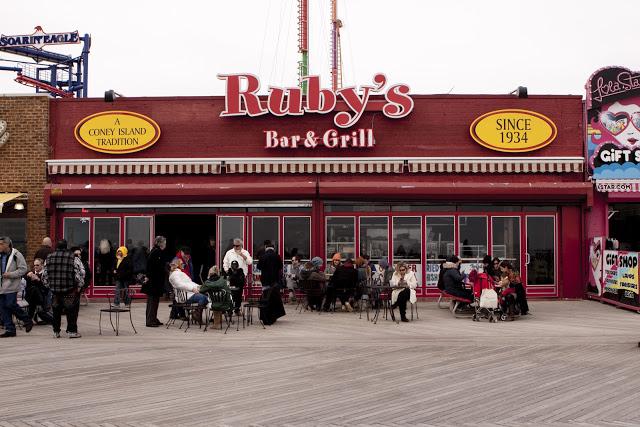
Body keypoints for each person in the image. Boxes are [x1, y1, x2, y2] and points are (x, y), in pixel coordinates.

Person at [43, 239, 85, 338]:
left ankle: (56, 331)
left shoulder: (48, 258)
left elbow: (45, 274)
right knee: (72, 311)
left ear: (56, 247)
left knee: (56, 312)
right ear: (66, 247)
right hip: (69, 289)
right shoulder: (73, 258)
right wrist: (79, 286)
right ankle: (72, 331)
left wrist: (49, 285)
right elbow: (81, 273)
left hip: (55, 290)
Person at [0, 236, 32, 337]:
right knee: (3, 308)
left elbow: (23, 269)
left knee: (10, 304)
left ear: (7, 244)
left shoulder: (17, 255)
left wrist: (10, 274)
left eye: (1, 244)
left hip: (11, 285)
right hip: (1, 287)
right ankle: (10, 329)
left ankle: (27, 319)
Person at [168, 257, 208, 325]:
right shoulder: (175, 274)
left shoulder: (180, 273)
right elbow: (179, 285)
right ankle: (197, 315)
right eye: (182, 264)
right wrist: (192, 288)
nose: (183, 265)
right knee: (203, 297)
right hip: (184, 296)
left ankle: (196, 313)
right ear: (177, 265)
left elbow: (189, 282)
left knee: (206, 296)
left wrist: (198, 286)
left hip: (188, 293)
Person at [142, 236, 169, 327]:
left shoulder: (157, 252)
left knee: (155, 301)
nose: (165, 244)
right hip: (153, 282)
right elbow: (151, 266)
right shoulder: (155, 252)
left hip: (156, 281)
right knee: (152, 301)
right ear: (160, 243)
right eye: (164, 242)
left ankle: (153, 318)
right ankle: (150, 320)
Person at [23, 258, 53, 324]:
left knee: (34, 290)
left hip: (43, 296)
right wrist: (27, 276)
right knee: (33, 290)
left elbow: (46, 288)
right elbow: (25, 285)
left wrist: (38, 280)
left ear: (42, 265)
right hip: (32, 297)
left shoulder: (45, 274)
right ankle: (32, 317)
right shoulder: (30, 273)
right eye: (34, 265)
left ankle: (29, 319)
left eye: (37, 265)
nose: (35, 267)